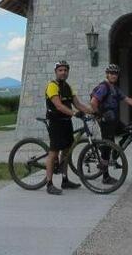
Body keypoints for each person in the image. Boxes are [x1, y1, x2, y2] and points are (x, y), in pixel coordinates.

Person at [90, 63, 132, 184]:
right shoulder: (104, 87)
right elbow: (93, 102)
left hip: (114, 120)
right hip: (106, 120)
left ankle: (115, 154)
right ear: (107, 74)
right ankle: (105, 176)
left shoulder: (115, 89)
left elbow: (127, 100)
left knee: (129, 130)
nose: (113, 75)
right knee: (107, 146)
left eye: (115, 73)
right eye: (111, 73)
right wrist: (98, 116)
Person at [44, 60, 92, 195]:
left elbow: (78, 104)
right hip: (55, 122)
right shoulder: (52, 86)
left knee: (66, 152)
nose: (63, 72)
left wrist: (93, 112)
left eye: (65, 70)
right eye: (60, 70)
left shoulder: (68, 87)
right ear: (56, 72)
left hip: (66, 122)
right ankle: (49, 184)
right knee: (53, 153)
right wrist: (74, 113)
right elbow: (58, 105)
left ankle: (65, 180)